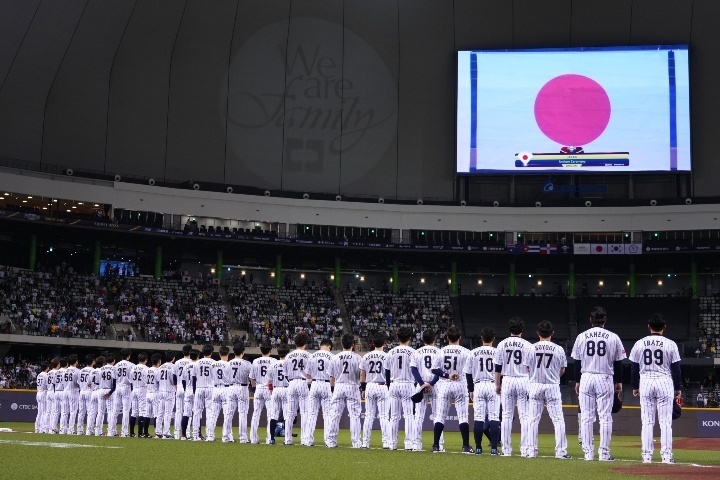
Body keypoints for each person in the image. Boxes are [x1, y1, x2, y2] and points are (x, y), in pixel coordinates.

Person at [572, 306, 626, 461]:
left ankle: (588, 453)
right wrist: (619, 381)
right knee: (605, 417)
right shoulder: (613, 337)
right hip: (605, 378)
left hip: (586, 377)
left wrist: (577, 381)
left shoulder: (582, 336)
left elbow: (576, 362)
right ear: (605, 320)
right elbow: (618, 363)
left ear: (590, 320)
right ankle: (604, 453)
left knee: (587, 417)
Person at [629, 313, 682, 464]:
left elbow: (634, 367)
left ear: (649, 327)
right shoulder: (670, 344)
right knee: (665, 422)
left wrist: (635, 386)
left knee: (647, 421)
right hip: (664, 381)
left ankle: (646, 456)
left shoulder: (640, 343)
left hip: (645, 381)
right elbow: (676, 368)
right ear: (664, 327)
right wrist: (677, 387)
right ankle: (666, 456)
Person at [527, 321, 570, 459]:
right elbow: (563, 369)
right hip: (552, 386)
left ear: (538, 333)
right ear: (552, 333)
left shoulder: (531, 348)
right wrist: (554, 377)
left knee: (533, 420)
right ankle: (561, 452)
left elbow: (527, 368)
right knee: (558, 420)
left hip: (535, 385)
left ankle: (532, 451)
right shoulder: (559, 349)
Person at [494, 317, 533, 457]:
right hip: (523, 379)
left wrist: (497, 384)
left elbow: (497, 368)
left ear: (509, 329)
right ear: (522, 329)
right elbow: (531, 368)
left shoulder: (502, 344)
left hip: (508, 380)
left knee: (506, 416)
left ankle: (506, 449)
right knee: (525, 416)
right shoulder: (528, 345)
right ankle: (525, 449)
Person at [430, 325, 472, 454]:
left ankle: (436, 445)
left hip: (445, 384)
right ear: (460, 337)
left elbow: (434, 369)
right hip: (460, 384)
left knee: (440, 416)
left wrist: (447, 375)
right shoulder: (466, 352)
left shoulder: (441, 351)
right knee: (463, 416)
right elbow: (470, 371)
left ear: (447, 337)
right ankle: (465, 446)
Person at [463, 327, 500, 455]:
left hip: (478, 385)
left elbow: (467, 373)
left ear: (481, 338)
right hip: (493, 385)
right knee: (494, 417)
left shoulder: (473, 352)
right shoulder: (497, 352)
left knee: (478, 418)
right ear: (493, 339)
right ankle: (494, 448)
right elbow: (502, 372)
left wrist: (471, 390)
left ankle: (478, 448)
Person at [327, 334, 363, 448]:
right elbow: (361, 374)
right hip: (352, 386)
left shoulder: (335, 357)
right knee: (354, 416)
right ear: (353, 344)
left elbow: (331, 377)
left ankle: (331, 441)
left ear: (342, 344)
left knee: (335, 415)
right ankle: (356, 442)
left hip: (338, 386)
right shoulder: (358, 358)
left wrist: (332, 389)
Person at [385, 327, 417, 450]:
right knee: (409, 415)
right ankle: (408, 444)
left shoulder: (391, 352)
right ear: (409, 338)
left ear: (398, 337)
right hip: (408, 384)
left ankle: (392, 444)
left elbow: (387, 372)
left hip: (394, 384)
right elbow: (416, 370)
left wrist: (389, 386)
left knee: (394, 416)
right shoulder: (413, 352)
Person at [410, 330, 442, 451]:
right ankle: (439, 444)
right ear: (434, 340)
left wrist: (423, 384)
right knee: (438, 416)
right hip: (436, 385)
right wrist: (431, 383)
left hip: (420, 385)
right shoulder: (439, 352)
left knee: (418, 416)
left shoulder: (416, 352)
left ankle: (415, 444)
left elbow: (414, 370)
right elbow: (439, 371)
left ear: (422, 340)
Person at [360, 332, 389, 449]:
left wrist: (363, 389)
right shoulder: (387, 356)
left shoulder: (366, 356)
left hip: (370, 386)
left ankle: (365, 443)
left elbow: (362, 374)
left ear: (373, 343)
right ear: (384, 343)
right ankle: (386, 443)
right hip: (382, 385)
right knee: (384, 416)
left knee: (368, 416)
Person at [306, 338, 335, 447]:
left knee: (312, 414)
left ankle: (308, 440)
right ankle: (328, 440)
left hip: (314, 384)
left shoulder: (312, 356)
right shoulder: (332, 356)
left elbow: (308, 375)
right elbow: (333, 376)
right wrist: (332, 389)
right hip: (326, 384)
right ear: (329, 347)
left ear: (320, 345)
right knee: (327, 414)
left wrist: (310, 386)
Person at [284, 332, 311, 445]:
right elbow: (310, 374)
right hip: (303, 382)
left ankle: (287, 439)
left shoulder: (288, 355)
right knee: (304, 413)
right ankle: (304, 439)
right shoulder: (309, 355)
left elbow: (285, 374)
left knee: (290, 413)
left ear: (295, 343)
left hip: (291, 383)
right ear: (305, 343)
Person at [225, 343, 252, 443]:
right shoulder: (247, 363)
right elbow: (251, 377)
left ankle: (225, 436)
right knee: (243, 413)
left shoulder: (228, 363)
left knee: (228, 413)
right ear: (243, 352)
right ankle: (243, 438)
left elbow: (226, 377)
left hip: (231, 387)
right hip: (242, 388)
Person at [249, 344, 276, 444]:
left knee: (256, 414)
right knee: (270, 414)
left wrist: (254, 387)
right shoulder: (274, 361)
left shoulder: (255, 361)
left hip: (259, 388)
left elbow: (252, 378)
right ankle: (269, 438)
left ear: (261, 351)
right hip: (269, 389)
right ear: (270, 351)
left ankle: (253, 438)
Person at [192, 344, 215, 441]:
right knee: (210, 411)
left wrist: (194, 391)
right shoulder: (214, 363)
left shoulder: (196, 363)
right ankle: (209, 435)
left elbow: (193, 378)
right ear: (211, 353)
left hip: (199, 388)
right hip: (210, 388)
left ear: (202, 352)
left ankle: (195, 435)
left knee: (197, 412)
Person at [206, 346, 230, 442]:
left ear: (219, 354)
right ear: (228, 354)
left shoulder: (213, 364)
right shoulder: (229, 365)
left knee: (213, 414)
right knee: (227, 414)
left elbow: (211, 377)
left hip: (215, 389)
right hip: (226, 389)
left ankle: (210, 436)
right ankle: (226, 437)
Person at [268, 343, 291, 445]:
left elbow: (269, 382)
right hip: (286, 389)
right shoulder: (289, 363)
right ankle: (286, 439)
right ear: (287, 353)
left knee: (273, 415)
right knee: (287, 415)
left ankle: (272, 439)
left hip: (276, 389)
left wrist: (272, 392)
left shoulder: (273, 364)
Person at [172, 344, 193, 439]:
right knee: (188, 412)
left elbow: (174, 377)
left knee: (178, 412)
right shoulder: (192, 362)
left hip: (179, 387)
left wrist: (176, 388)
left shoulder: (177, 362)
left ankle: (176, 433)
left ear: (183, 352)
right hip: (188, 388)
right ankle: (187, 433)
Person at [112, 349, 134, 437]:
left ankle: (112, 431)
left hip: (118, 387)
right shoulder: (131, 365)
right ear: (128, 356)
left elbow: (114, 380)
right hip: (126, 387)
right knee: (126, 410)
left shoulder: (116, 365)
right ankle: (124, 432)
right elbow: (132, 380)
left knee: (115, 411)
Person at [156, 350, 176, 439]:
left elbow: (157, 380)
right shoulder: (173, 367)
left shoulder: (160, 367)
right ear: (173, 358)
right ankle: (166, 432)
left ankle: (158, 431)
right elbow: (173, 381)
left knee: (160, 412)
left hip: (161, 391)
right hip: (169, 391)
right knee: (168, 412)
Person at [129, 352, 148, 438]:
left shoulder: (133, 368)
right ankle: (140, 433)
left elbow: (130, 380)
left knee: (134, 411)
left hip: (134, 389)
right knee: (142, 411)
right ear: (146, 360)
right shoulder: (146, 368)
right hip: (142, 389)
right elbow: (147, 381)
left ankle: (132, 432)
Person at [97, 354, 116, 437]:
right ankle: (110, 431)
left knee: (100, 412)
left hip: (101, 390)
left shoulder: (100, 369)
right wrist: (110, 393)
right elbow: (114, 384)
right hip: (109, 391)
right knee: (111, 412)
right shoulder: (114, 369)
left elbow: (97, 382)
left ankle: (98, 431)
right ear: (113, 361)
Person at [144, 353, 161, 438]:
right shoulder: (158, 371)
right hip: (155, 393)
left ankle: (145, 433)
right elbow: (159, 382)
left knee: (147, 414)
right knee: (156, 414)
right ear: (159, 361)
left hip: (148, 393)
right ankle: (157, 433)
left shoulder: (147, 370)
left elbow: (144, 382)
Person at [77, 354, 95, 436]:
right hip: (89, 392)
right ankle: (89, 430)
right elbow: (92, 383)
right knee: (90, 412)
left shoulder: (81, 370)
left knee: (81, 412)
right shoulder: (93, 370)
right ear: (93, 362)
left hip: (81, 392)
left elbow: (78, 382)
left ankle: (80, 430)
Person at [63, 354, 81, 435]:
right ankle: (71, 429)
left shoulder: (64, 370)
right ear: (76, 362)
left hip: (65, 390)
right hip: (73, 391)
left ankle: (63, 429)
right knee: (73, 411)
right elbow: (79, 383)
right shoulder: (77, 371)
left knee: (64, 412)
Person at [34, 363, 49, 433]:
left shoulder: (39, 375)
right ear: (47, 368)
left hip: (38, 393)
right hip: (43, 393)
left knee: (39, 412)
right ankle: (42, 428)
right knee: (44, 412)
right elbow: (47, 385)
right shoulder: (46, 375)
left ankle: (37, 428)